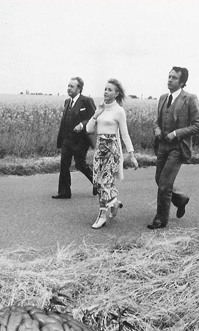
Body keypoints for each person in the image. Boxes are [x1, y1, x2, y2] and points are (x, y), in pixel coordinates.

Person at [148, 66, 199, 229]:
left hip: (178, 147)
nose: (169, 80)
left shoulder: (190, 98)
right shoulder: (163, 98)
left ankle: (160, 219)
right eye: (169, 76)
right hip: (162, 145)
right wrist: (156, 128)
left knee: (164, 183)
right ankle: (180, 199)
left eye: (174, 78)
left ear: (182, 82)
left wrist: (176, 133)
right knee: (159, 179)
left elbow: (197, 125)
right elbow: (157, 120)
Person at [86, 79, 138, 229]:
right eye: (105, 89)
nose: (106, 92)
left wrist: (131, 155)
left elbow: (125, 134)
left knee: (104, 183)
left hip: (111, 151)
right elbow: (88, 129)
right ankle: (114, 203)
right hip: (99, 150)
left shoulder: (119, 111)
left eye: (110, 90)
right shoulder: (101, 108)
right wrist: (96, 113)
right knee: (98, 183)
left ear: (116, 94)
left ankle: (102, 215)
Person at [53, 77, 96, 199]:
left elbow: (94, 117)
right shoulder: (67, 102)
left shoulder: (86, 101)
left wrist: (82, 124)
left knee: (80, 164)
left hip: (81, 140)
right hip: (67, 139)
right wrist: (61, 140)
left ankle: (97, 182)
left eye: (72, 86)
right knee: (64, 164)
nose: (69, 88)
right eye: (68, 86)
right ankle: (64, 192)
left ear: (79, 88)